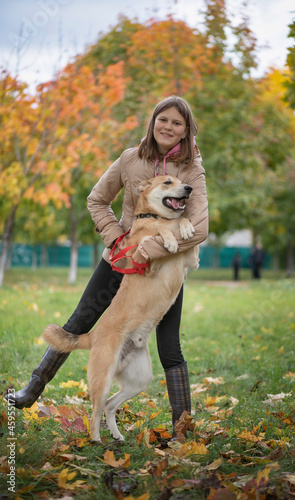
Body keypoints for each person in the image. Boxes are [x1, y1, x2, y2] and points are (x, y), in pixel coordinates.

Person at [6, 96, 209, 437]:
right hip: (118, 260)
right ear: (153, 121)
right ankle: (33, 389)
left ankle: (182, 428)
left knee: (170, 345)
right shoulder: (131, 159)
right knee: (78, 322)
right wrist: (118, 240)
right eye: (163, 120)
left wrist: (151, 250)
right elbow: (97, 200)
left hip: (164, 265)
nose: (168, 127)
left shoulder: (193, 170)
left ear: (186, 130)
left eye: (177, 123)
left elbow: (200, 227)